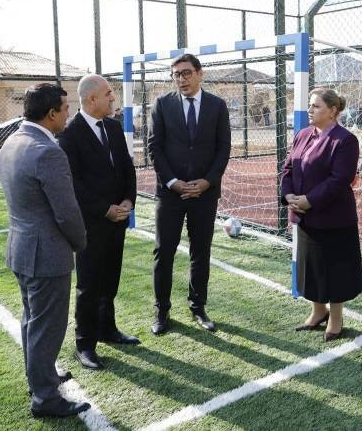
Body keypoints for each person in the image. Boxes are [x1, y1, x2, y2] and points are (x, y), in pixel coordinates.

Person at [0, 83, 90, 418]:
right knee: (46, 328)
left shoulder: (13, 142)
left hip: (21, 249)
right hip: (46, 255)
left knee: (32, 321)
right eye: (66, 108)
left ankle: (41, 377)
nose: (69, 113)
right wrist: (81, 243)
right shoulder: (48, 152)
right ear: (51, 114)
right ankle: (45, 398)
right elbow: (66, 212)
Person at [57, 75, 140, 372]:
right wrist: (105, 209)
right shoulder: (70, 135)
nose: (113, 98)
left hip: (118, 221)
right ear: (92, 99)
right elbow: (74, 184)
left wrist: (128, 202)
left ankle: (108, 329)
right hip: (92, 223)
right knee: (89, 285)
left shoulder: (114, 128)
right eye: (108, 94)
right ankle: (85, 344)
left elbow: (127, 170)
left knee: (110, 280)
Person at [148, 53, 231, 335]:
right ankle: (162, 311)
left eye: (185, 73)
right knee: (164, 251)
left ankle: (198, 307)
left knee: (200, 251)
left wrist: (207, 182)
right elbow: (154, 147)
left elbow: (223, 148)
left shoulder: (218, 106)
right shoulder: (161, 105)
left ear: (199, 74)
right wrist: (172, 181)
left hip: (204, 194)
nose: (180, 79)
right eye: (176, 75)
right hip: (171, 193)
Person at [280, 88, 362, 341]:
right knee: (313, 268)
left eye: (316, 106)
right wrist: (288, 196)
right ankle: (318, 312)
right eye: (310, 105)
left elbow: (340, 180)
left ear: (333, 111)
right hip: (305, 217)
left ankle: (335, 319)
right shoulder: (303, 134)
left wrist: (309, 200)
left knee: (335, 269)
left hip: (334, 219)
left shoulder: (345, 140)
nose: (310, 110)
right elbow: (288, 168)